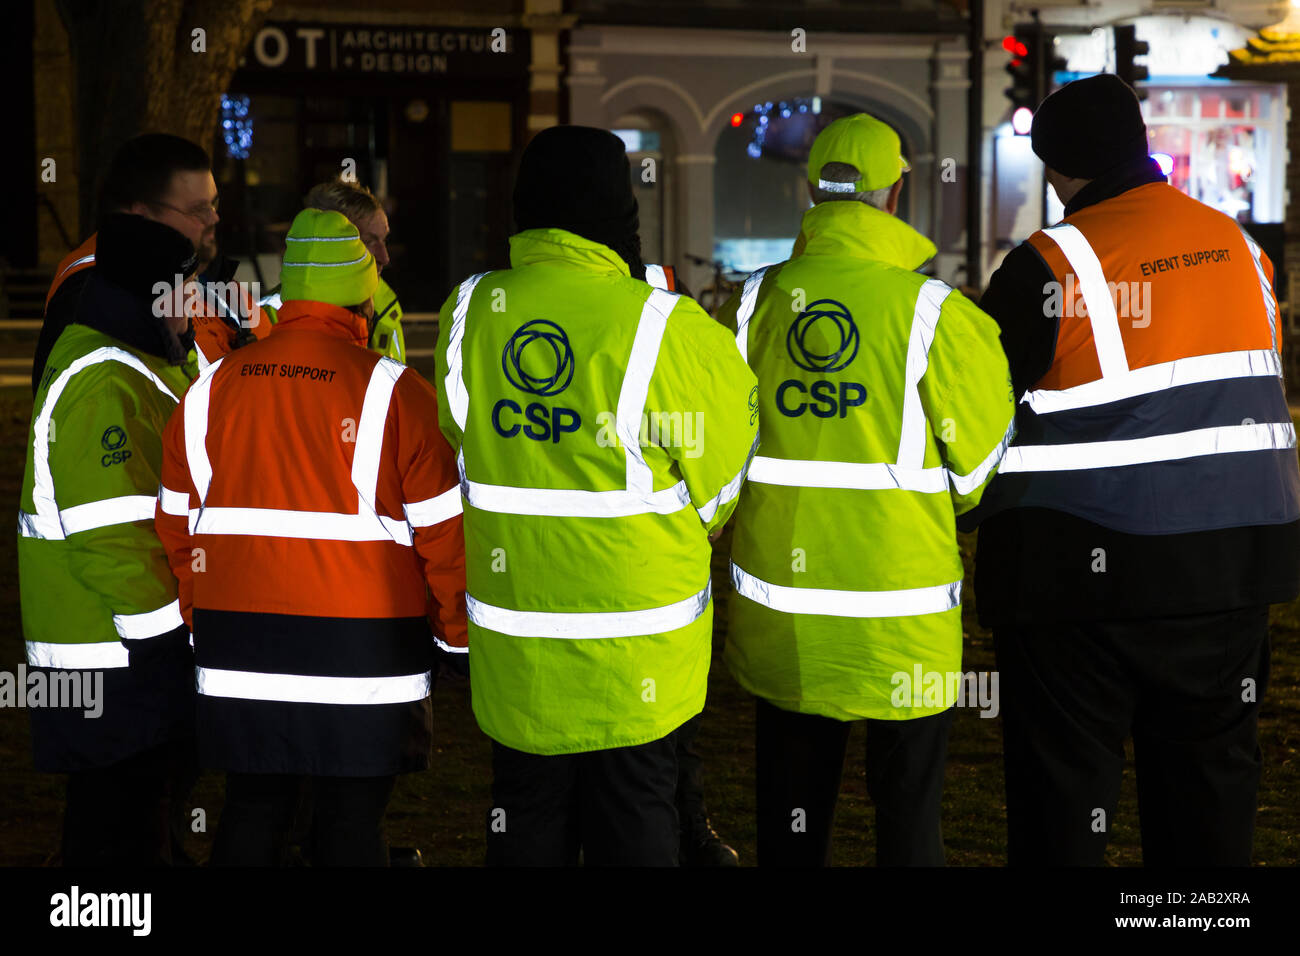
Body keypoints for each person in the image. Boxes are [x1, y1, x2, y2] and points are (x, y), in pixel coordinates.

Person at [966, 74, 1300, 865]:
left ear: (1057, 170)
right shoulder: (1243, 250)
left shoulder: (1047, 263)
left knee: (1064, 795)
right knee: (1209, 792)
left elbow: (973, 411)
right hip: (1232, 570)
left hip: (1082, 578)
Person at [435, 125, 758, 866]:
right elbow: (722, 475)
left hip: (519, 650)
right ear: (621, 207)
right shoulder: (668, 324)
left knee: (524, 819)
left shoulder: (470, 311)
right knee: (636, 819)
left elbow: (462, 434)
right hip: (637, 656)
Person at [719, 113, 1015, 866]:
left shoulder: (750, 306)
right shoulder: (938, 314)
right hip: (901, 622)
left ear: (809, 188)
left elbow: (715, 458)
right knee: (910, 825)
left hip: (785, 621)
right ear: (896, 193)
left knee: (790, 826)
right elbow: (980, 475)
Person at [155, 209, 467, 866]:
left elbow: (177, 531)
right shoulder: (396, 392)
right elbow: (444, 538)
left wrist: (199, 622)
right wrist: (454, 642)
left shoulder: (209, 392)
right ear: (363, 294)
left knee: (250, 808)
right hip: (366, 661)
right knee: (352, 824)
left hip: (238, 650)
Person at [19, 203, 200, 865]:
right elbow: (114, 540)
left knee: (122, 824)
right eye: (185, 286)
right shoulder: (102, 379)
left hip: (112, 656)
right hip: (113, 662)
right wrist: (169, 645)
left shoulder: (130, 356)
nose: (196, 300)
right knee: (117, 834)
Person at [37, 133, 265, 393]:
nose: (214, 218)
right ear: (140, 216)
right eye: (197, 209)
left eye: (214, 204)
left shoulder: (200, 269)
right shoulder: (99, 291)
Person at [258, 179, 406, 362]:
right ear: (322, 242)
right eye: (368, 242)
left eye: (384, 240)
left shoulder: (385, 306)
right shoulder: (265, 317)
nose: (384, 257)